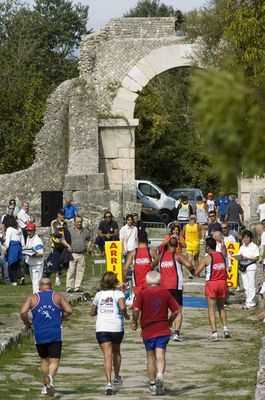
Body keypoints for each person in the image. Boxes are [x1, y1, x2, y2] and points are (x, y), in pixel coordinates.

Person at [20, 278, 73, 396]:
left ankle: (46, 385)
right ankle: (50, 378)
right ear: (51, 286)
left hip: (39, 334)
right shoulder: (57, 296)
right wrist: (61, 318)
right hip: (55, 333)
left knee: (44, 359)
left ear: (39, 286)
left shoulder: (32, 298)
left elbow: (23, 312)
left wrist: (27, 323)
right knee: (55, 360)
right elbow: (69, 310)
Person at [132, 270, 180, 396]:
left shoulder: (142, 294)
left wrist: (135, 321)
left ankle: (153, 384)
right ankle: (160, 376)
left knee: (150, 357)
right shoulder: (166, 293)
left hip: (148, 330)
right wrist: (170, 321)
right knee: (161, 355)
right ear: (160, 281)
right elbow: (176, 311)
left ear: (147, 281)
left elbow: (136, 309)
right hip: (163, 328)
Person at [90, 271, 130, 395]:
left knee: (107, 355)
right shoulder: (118, 293)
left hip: (102, 327)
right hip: (116, 327)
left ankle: (108, 383)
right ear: (115, 282)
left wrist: (100, 311)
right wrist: (126, 315)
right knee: (116, 352)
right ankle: (117, 376)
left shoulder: (98, 295)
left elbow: (92, 312)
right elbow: (123, 307)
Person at [158, 237, 194, 342]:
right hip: (175, 286)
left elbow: (152, 266)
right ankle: (176, 333)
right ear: (177, 246)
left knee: (164, 309)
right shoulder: (178, 255)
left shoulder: (161, 256)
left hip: (163, 286)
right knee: (178, 310)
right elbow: (189, 264)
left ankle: (164, 330)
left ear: (168, 245)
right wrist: (193, 271)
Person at [195, 237, 231, 341]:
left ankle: (214, 333)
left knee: (211, 309)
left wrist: (193, 268)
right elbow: (225, 252)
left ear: (207, 247)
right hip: (222, 283)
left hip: (212, 283)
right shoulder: (222, 255)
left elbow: (196, 273)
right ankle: (225, 329)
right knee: (221, 307)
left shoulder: (207, 258)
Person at [123, 230, 159, 296]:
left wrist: (123, 281)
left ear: (137, 239)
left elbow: (126, 268)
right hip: (149, 283)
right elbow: (158, 259)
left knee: (139, 303)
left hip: (137, 284)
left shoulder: (133, 252)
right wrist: (153, 264)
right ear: (146, 239)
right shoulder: (151, 251)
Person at [66, 216, 92, 293]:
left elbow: (90, 239)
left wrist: (88, 248)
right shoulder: (69, 230)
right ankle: (69, 287)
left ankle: (77, 287)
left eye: (80, 222)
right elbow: (64, 239)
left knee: (80, 271)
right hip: (72, 253)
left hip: (82, 254)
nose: (79, 223)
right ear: (74, 222)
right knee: (71, 270)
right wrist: (68, 246)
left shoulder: (86, 231)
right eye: (77, 222)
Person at [49, 209, 72, 286]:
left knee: (66, 261)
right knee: (56, 262)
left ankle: (69, 278)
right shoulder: (54, 222)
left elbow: (67, 234)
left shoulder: (65, 223)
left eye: (64, 214)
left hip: (64, 246)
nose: (63, 216)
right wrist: (59, 230)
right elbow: (53, 233)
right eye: (61, 214)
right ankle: (57, 278)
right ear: (58, 214)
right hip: (56, 245)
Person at [238, 230, 259, 310]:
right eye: (244, 237)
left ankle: (252, 302)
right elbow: (239, 255)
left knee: (251, 285)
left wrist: (247, 258)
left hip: (251, 266)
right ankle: (248, 301)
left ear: (250, 238)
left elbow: (257, 257)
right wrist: (238, 258)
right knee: (246, 286)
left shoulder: (254, 246)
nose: (246, 239)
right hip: (243, 266)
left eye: (247, 237)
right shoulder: (242, 246)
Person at [23, 223, 44, 293]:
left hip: (37, 264)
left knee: (36, 282)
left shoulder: (37, 240)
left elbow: (41, 254)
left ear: (34, 230)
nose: (28, 232)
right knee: (34, 282)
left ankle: (37, 298)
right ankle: (36, 297)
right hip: (31, 264)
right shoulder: (28, 238)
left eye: (30, 230)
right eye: (28, 230)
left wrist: (32, 255)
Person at [5, 217, 25, 285]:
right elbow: (22, 240)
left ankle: (14, 280)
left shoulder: (9, 229)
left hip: (12, 247)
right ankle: (21, 276)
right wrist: (23, 247)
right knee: (17, 263)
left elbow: (8, 240)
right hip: (19, 246)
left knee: (11, 264)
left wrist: (5, 248)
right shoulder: (19, 229)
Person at [255, 223, 265, 298]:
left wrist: (261, 258)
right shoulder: (262, 236)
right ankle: (262, 290)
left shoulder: (263, 235)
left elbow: (264, 248)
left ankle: (262, 290)